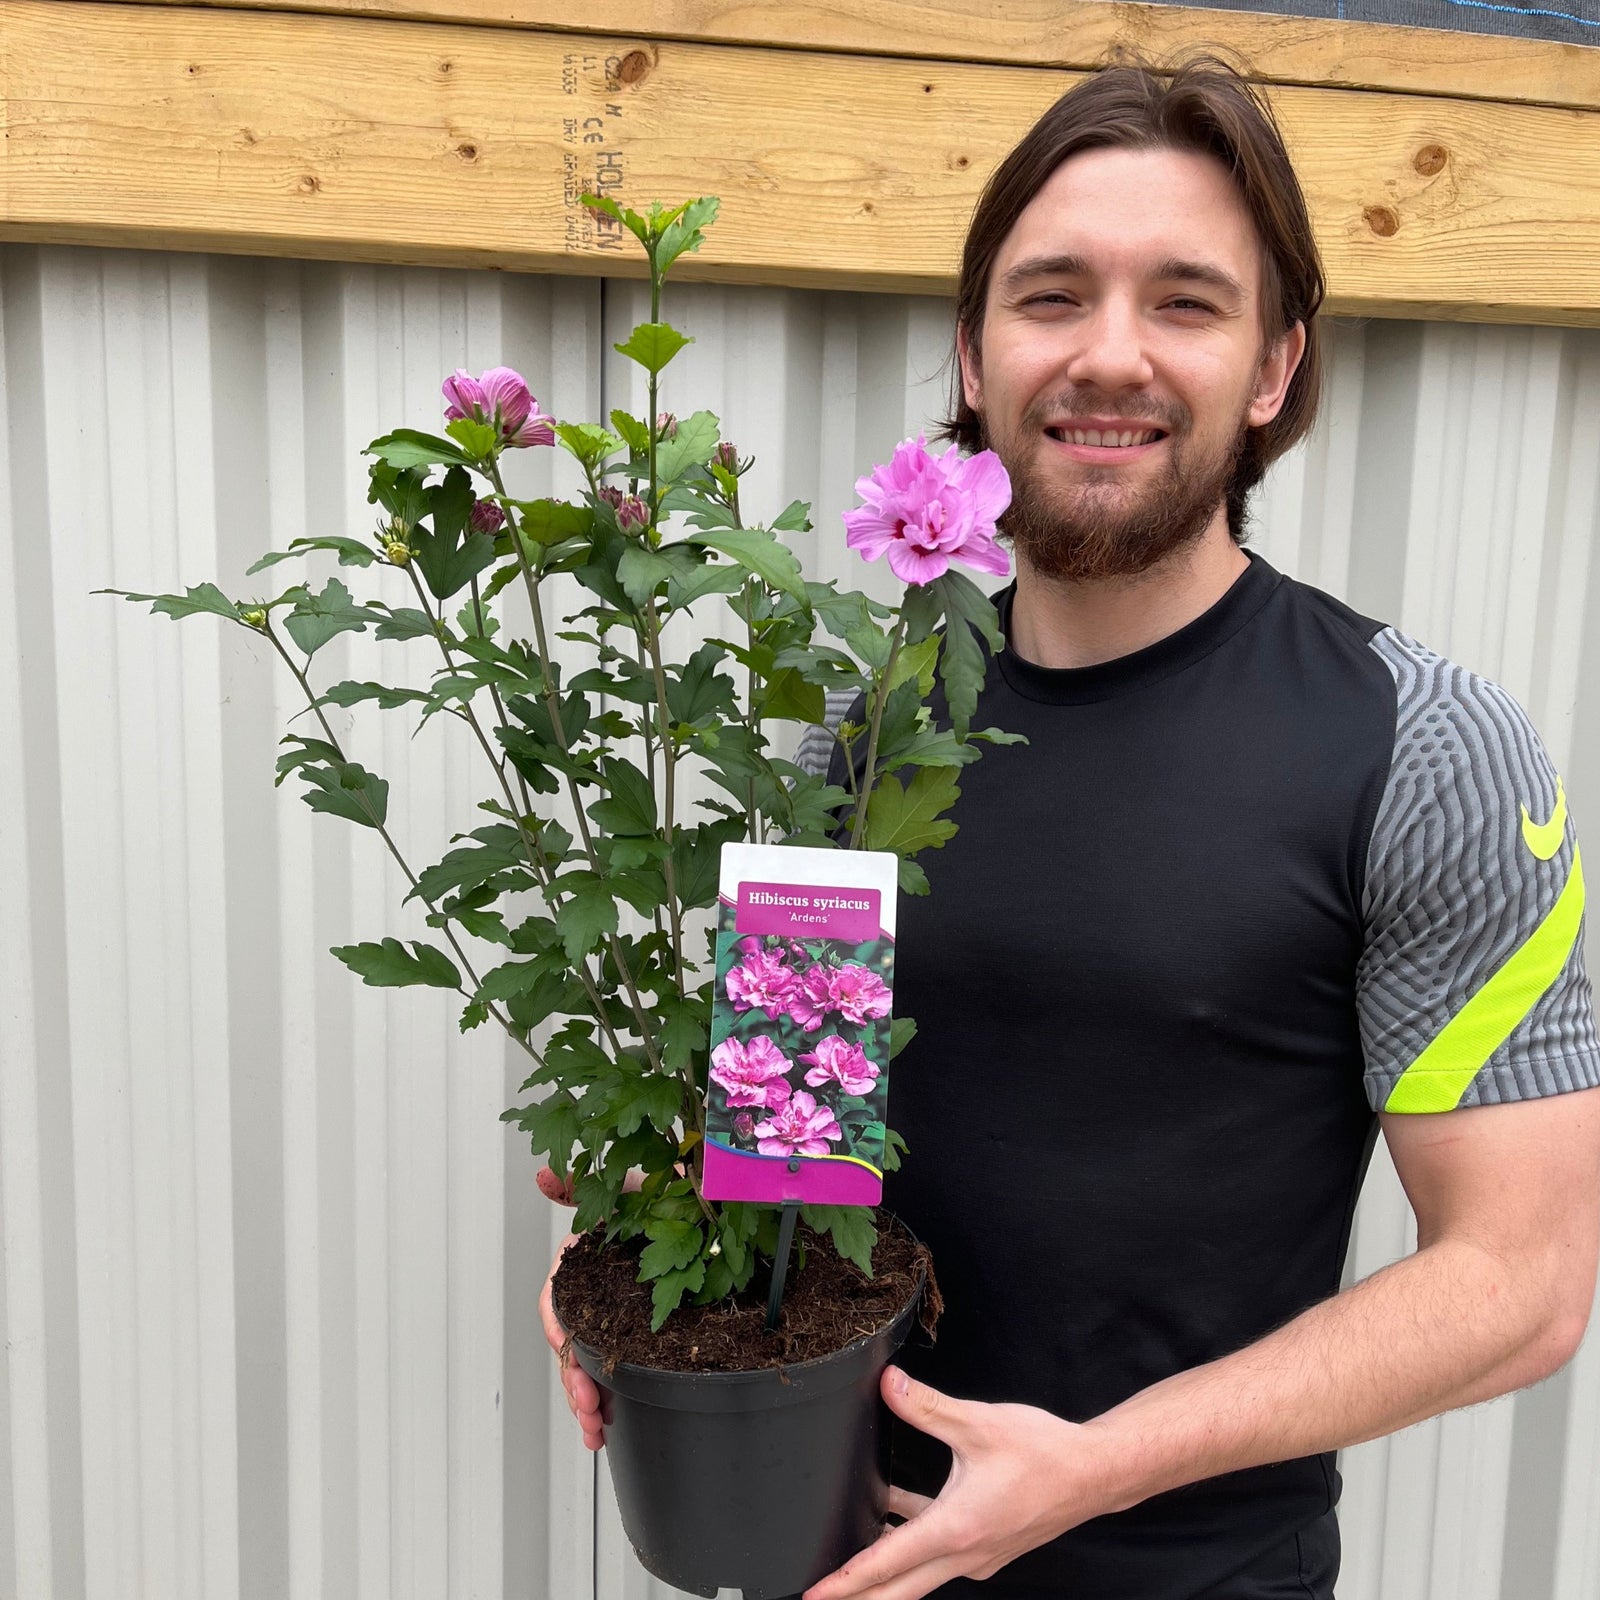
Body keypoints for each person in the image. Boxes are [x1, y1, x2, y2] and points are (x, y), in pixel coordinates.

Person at [542, 56, 1600, 1600]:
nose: (1111, 355)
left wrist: (1091, 1472)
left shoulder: (1420, 750)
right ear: (973, 357)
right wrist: (622, 1263)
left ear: (1273, 368)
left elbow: (1522, 1281)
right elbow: (788, 1145)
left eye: (1185, 301)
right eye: (1052, 297)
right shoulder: (865, 734)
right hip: (830, 1559)